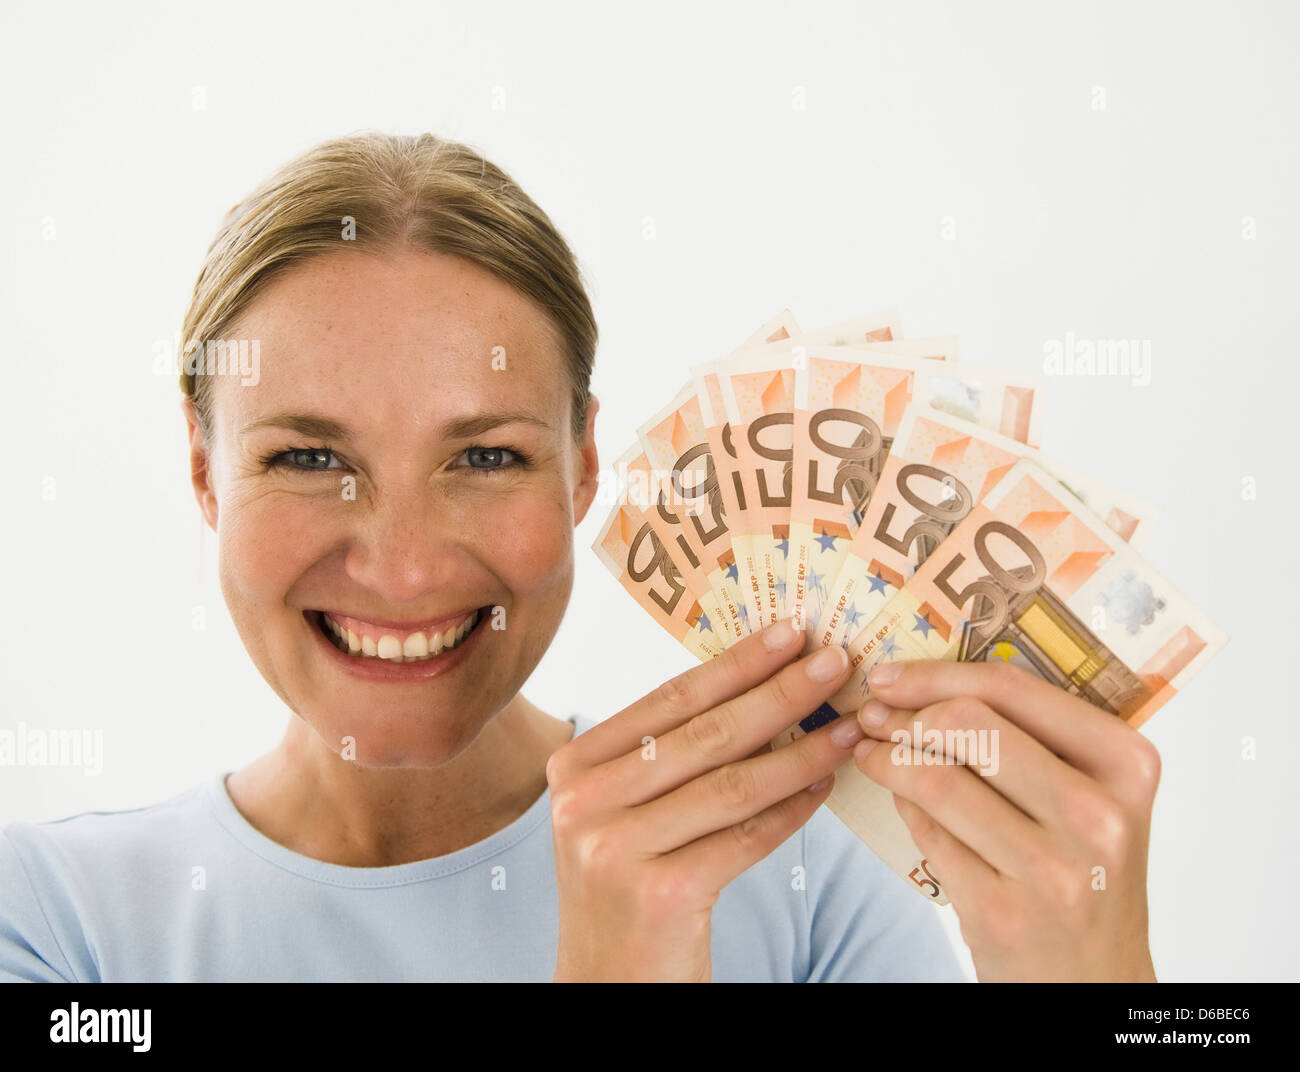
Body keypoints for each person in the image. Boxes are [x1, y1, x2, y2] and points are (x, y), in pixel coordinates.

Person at [0, 132, 1159, 983]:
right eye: (309, 456)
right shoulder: (57, 926)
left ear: (584, 467)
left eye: (487, 458)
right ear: (205, 474)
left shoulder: (813, 875)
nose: (401, 569)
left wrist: (1101, 990)